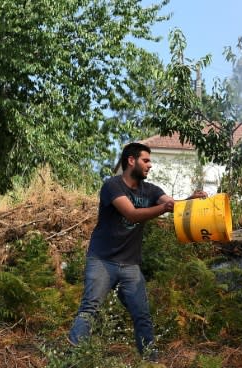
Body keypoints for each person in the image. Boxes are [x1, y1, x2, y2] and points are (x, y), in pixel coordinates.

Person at [67, 142, 207, 357]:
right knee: (90, 309)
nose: (150, 165)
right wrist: (163, 208)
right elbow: (131, 214)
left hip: (130, 264)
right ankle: (71, 361)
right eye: (146, 160)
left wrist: (190, 201)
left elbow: (171, 204)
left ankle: (151, 366)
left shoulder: (151, 190)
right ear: (131, 161)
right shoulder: (112, 186)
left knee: (142, 315)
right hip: (102, 260)